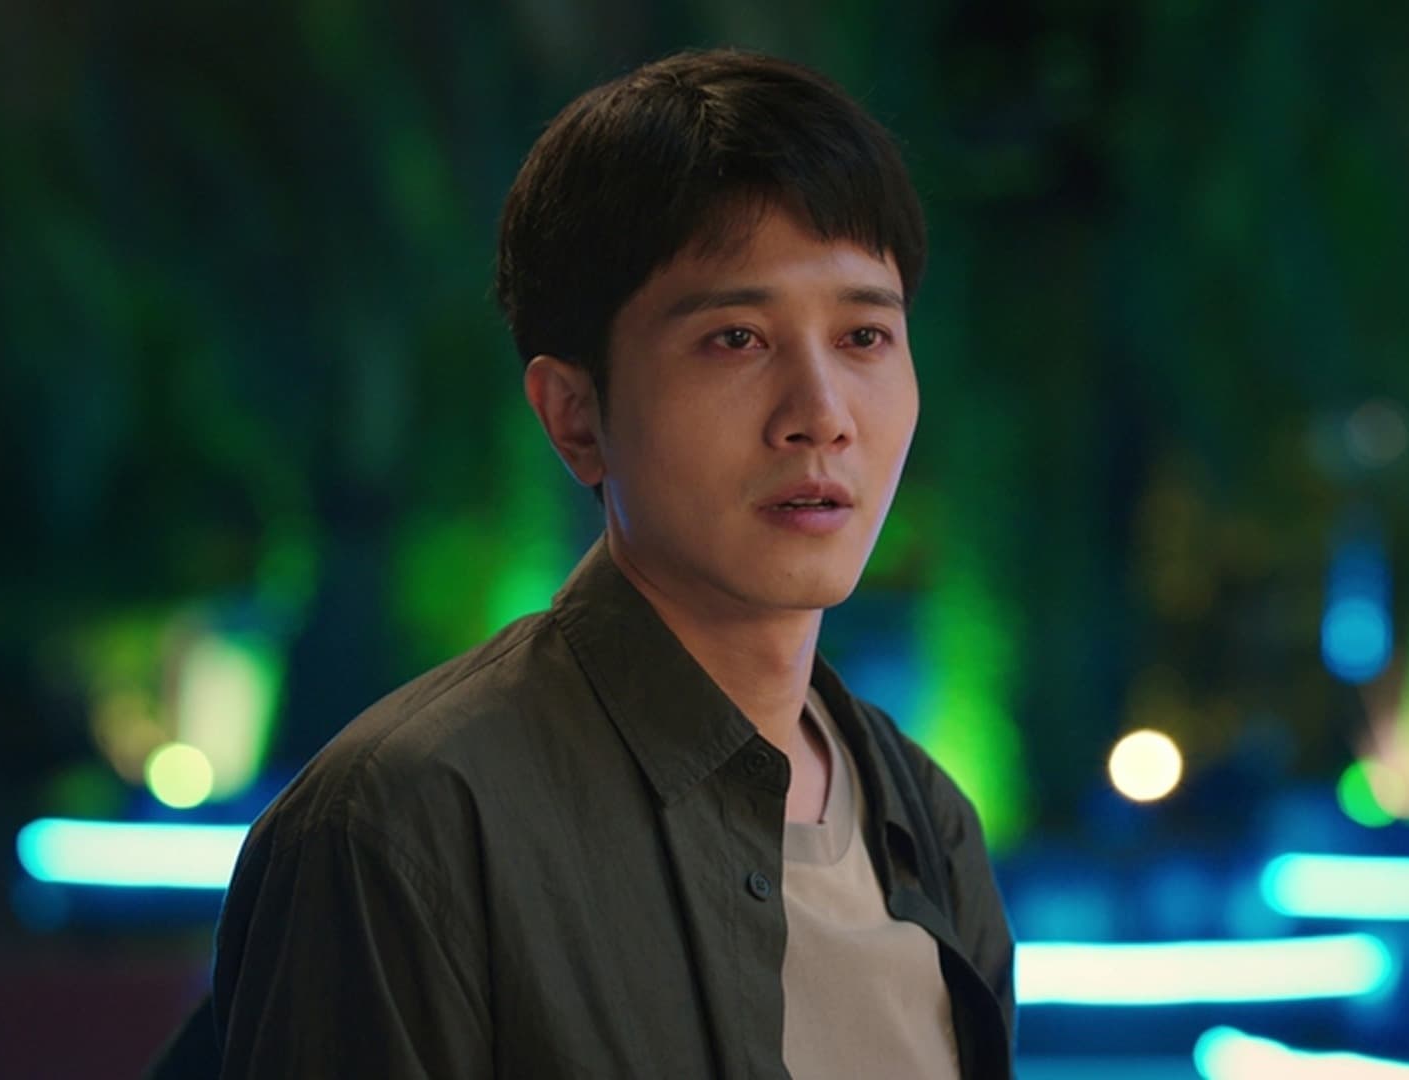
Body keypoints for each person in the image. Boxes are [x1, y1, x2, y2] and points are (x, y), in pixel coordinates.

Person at [207, 47, 1015, 1079]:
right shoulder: (408, 827)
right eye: (736, 338)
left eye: (863, 336)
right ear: (575, 417)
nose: (822, 416)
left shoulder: (928, 823)